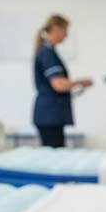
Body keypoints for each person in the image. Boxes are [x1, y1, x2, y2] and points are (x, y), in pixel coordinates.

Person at [32, 13, 91, 148]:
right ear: (57, 29)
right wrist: (80, 82)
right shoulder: (47, 53)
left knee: (55, 152)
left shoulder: (48, 51)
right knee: (54, 155)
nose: (67, 35)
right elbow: (59, 85)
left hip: (51, 115)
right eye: (66, 30)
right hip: (49, 115)